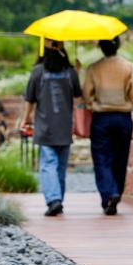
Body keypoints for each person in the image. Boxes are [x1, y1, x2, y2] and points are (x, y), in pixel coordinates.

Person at [82, 35, 133, 216]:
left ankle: (109, 193)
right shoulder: (129, 67)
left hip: (101, 119)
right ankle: (116, 191)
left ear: (100, 47)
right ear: (118, 45)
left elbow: (86, 95)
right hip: (123, 118)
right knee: (120, 158)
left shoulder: (94, 68)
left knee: (101, 158)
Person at [21, 39, 81, 217]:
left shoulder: (37, 72)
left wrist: (25, 119)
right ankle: (58, 200)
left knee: (48, 164)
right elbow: (78, 96)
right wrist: (77, 72)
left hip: (45, 127)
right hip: (65, 127)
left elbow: (29, 99)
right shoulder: (70, 72)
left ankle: (54, 200)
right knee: (60, 167)